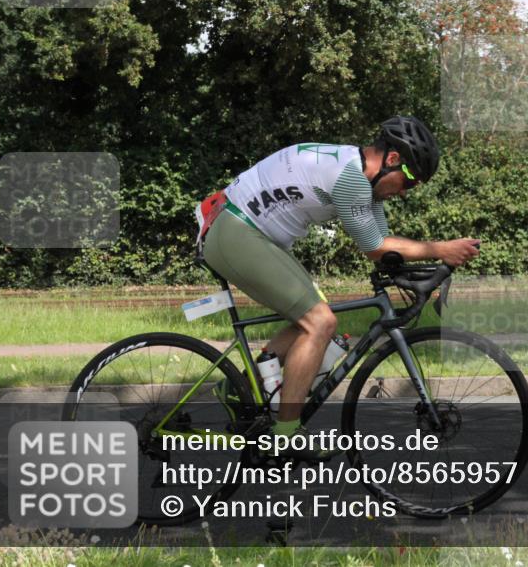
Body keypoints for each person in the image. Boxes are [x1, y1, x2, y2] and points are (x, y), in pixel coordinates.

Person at [194, 116, 480, 459]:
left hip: (244, 230)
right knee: (320, 322)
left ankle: (237, 388)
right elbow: (374, 246)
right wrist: (440, 249)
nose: (405, 192)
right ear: (392, 160)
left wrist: (425, 276)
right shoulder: (354, 180)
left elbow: (386, 252)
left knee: (320, 319)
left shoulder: (363, 177)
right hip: (236, 231)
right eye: (409, 181)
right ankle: (286, 436)